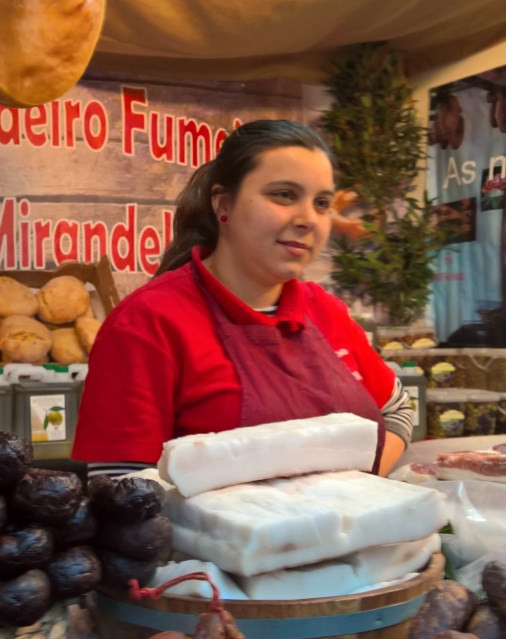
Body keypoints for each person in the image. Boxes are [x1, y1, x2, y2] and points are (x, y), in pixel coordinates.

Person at [72, 119, 415, 479]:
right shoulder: (146, 323)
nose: (308, 219)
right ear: (224, 203)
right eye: (284, 194)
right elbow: (120, 486)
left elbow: (398, 410)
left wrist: (358, 493)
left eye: (322, 203)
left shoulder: (325, 310)